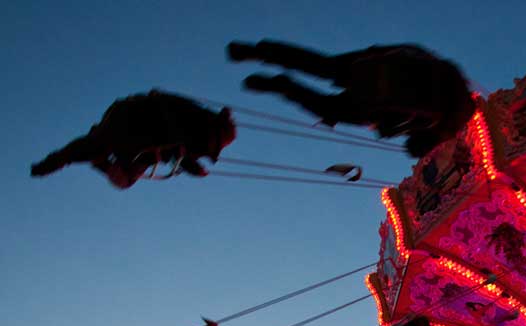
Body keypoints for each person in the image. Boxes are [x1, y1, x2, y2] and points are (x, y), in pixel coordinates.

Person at [227, 40, 475, 157]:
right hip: (380, 101)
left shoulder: (447, 74)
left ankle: (262, 52)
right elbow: (418, 144)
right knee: (329, 108)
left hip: (380, 66)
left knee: (320, 65)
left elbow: (414, 49)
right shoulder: (450, 122)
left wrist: (376, 53)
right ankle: (283, 87)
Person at [31, 91, 235, 189]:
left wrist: (188, 163)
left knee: (120, 174)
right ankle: (87, 159)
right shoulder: (186, 117)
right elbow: (165, 113)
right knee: (98, 148)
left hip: (137, 140)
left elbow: (178, 148)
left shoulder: (193, 130)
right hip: (128, 125)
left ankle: (98, 161)